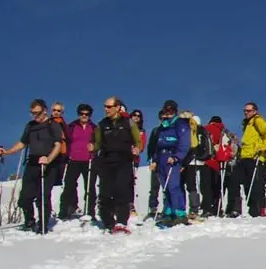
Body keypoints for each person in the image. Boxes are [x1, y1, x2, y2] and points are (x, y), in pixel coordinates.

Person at [0, 99, 66, 233]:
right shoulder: (30, 125)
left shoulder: (53, 125)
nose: (35, 116)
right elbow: (23, 143)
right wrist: (7, 152)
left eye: (38, 113)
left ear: (44, 111)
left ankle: (43, 225)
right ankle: (29, 220)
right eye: (32, 113)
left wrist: (48, 158)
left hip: (48, 164)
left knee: (43, 196)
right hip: (32, 163)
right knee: (24, 199)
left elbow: (58, 145)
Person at [93, 96, 142, 234]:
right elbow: (97, 143)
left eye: (109, 107)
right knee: (105, 192)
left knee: (122, 190)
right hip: (106, 160)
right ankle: (108, 222)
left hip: (124, 160)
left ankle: (121, 221)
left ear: (117, 108)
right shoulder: (102, 124)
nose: (106, 109)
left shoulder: (129, 123)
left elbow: (138, 140)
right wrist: (93, 147)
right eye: (105, 106)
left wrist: (137, 149)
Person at [147, 100, 195, 227]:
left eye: (170, 110)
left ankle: (180, 213)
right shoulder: (163, 126)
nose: (167, 113)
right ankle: (168, 212)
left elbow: (185, 143)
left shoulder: (180, 124)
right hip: (162, 157)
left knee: (173, 186)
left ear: (175, 111)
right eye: (165, 110)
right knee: (166, 186)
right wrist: (155, 160)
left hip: (171, 157)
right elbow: (158, 144)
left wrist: (177, 157)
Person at [230, 101, 266, 217]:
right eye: (245, 111)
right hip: (245, 158)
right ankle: (236, 208)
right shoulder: (248, 124)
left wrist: (261, 147)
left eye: (249, 110)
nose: (246, 113)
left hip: (254, 158)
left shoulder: (257, 120)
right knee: (236, 180)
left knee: (254, 185)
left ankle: (254, 210)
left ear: (255, 111)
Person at [60, 103, 97, 222]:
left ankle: (90, 212)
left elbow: (99, 143)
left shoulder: (94, 128)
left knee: (90, 187)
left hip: (89, 161)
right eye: (82, 113)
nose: (84, 116)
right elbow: (65, 140)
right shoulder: (72, 126)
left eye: (87, 114)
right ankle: (65, 211)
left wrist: (95, 147)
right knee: (69, 185)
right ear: (78, 114)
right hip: (73, 160)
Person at [207, 116, 238, 216]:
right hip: (230, 163)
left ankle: (216, 208)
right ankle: (233, 209)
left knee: (218, 187)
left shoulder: (207, 129)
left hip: (216, 163)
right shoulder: (227, 134)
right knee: (233, 188)